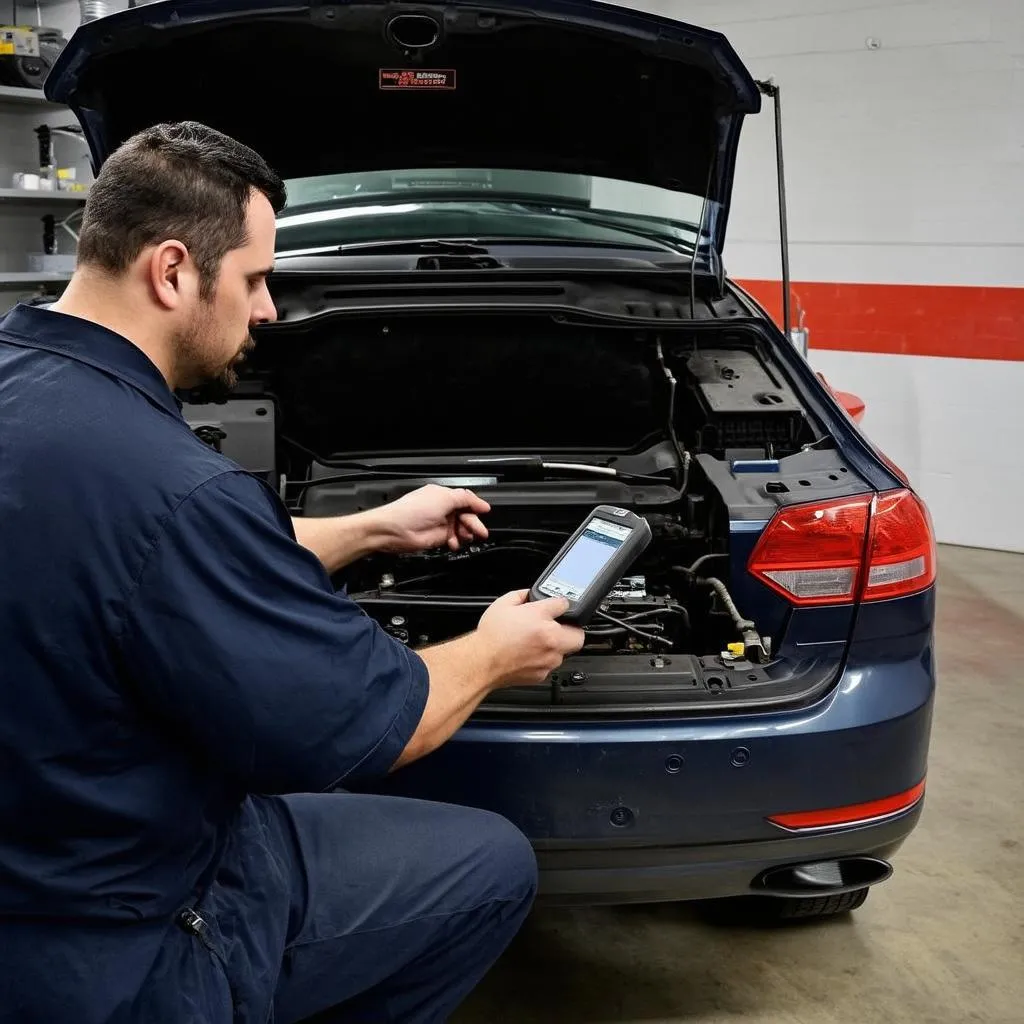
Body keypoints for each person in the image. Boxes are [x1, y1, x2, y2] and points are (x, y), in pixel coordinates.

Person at [0, 121, 584, 1024]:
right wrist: (499, 648)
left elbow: (132, 561)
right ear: (171, 271)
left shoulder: (26, 387)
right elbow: (377, 723)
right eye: (255, 279)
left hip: (37, 848)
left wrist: (372, 527)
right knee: (493, 863)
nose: (269, 310)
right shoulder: (175, 487)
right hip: (125, 928)